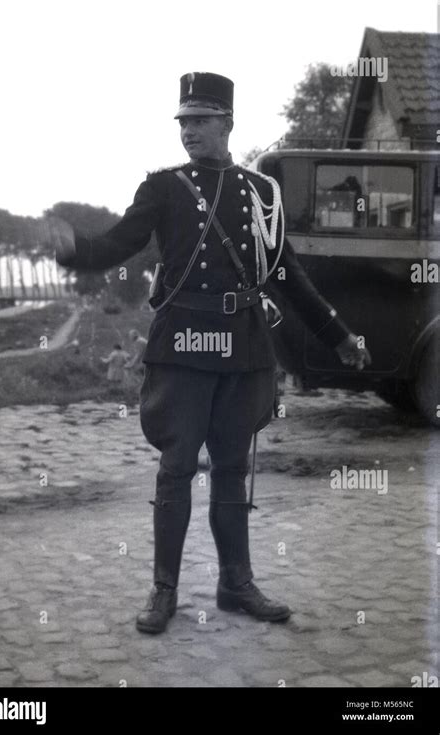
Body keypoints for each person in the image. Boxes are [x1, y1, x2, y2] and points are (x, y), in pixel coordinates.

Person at [53, 72, 371, 635]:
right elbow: (120, 242)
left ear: (227, 123)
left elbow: (287, 277)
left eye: (200, 121)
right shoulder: (163, 188)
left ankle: (235, 583)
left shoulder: (260, 193)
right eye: (183, 122)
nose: (189, 132)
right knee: (176, 468)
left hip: (243, 347)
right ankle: (164, 591)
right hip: (182, 344)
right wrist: (77, 251)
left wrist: (339, 335)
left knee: (231, 466)